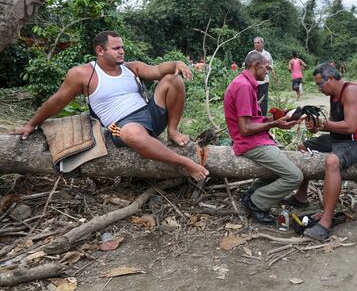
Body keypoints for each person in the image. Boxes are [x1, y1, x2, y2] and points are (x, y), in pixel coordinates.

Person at [11, 31, 209, 180]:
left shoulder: (131, 68)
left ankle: (173, 131)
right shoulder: (83, 74)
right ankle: (184, 162)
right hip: (121, 125)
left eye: (122, 47)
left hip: (150, 114)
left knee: (172, 80)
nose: (122, 51)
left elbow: (157, 69)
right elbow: (57, 101)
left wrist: (177, 63)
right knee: (132, 134)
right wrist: (31, 124)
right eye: (116, 48)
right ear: (100, 50)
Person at [284, 63, 357, 241]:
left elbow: (350, 126)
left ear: (331, 79)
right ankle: (301, 196)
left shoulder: (351, 92)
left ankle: (326, 221)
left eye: (320, 84)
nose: (318, 88)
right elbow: (335, 125)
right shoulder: (334, 95)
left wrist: (322, 124)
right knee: (303, 147)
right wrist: (316, 128)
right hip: (340, 139)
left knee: (332, 162)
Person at [224, 51, 303, 224]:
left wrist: (277, 119)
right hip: (250, 142)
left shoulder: (245, 83)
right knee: (295, 176)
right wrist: (274, 124)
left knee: (281, 169)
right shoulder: (244, 86)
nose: (267, 71)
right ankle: (256, 203)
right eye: (266, 67)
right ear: (255, 65)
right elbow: (245, 129)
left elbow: (253, 121)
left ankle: (252, 193)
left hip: (257, 139)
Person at [247, 37, 274, 116]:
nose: (256, 44)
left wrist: (267, 67)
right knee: (252, 99)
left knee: (263, 101)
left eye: (258, 43)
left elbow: (271, 66)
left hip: (264, 81)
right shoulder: (251, 54)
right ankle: (253, 116)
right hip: (253, 81)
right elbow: (246, 66)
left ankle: (262, 118)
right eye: (255, 43)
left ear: (262, 44)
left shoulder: (267, 54)